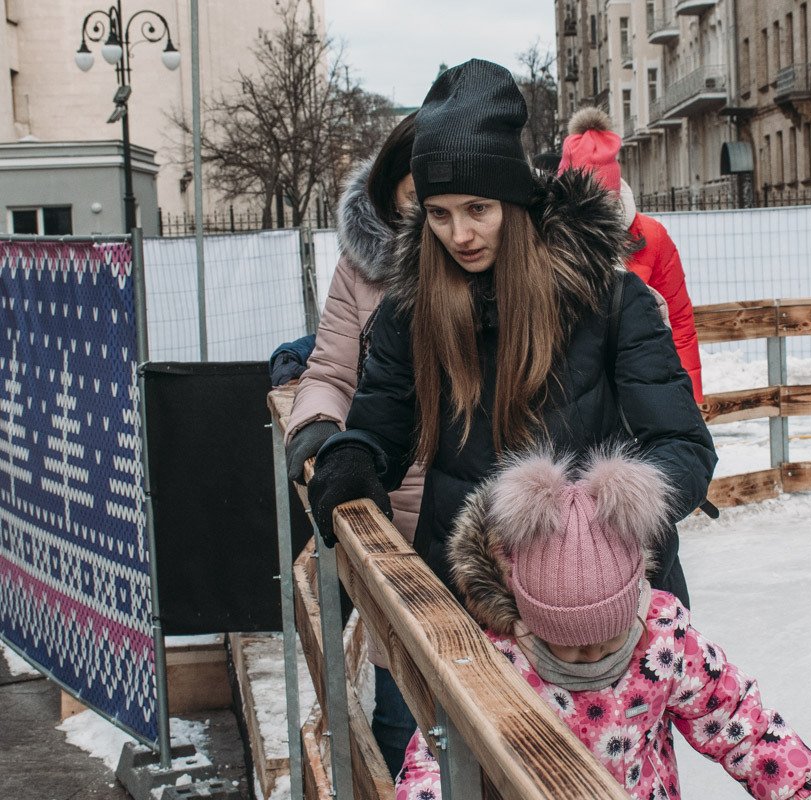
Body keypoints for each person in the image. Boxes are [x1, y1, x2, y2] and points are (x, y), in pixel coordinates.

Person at [307, 59, 716, 608]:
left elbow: (684, 446)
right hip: (472, 602)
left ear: (515, 202)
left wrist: (600, 518)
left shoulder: (611, 301)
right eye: (439, 214)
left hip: (605, 597)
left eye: (478, 209)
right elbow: (382, 426)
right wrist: (354, 457)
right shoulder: (412, 310)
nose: (460, 234)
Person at [394, 450, 811, 800]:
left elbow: (737, 720)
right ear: (532, 620)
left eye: (611, 636)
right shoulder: (501, 664)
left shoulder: (663, 642)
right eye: (571, 643)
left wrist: (799, 789)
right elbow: (437, 758)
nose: (594, 653)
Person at [283, 115, 426, 776]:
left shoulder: (487, 260)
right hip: (395, 518)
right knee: (402, 714)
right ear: (390, 185)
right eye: (415, 190)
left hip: (485, 520)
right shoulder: (363, 268)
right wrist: (322, 432)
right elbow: (332, 371)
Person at [557, 107, 705, 403]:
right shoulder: (544, 240)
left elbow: (679, 325)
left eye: (600, 204)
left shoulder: (651, 237)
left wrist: (687, 402)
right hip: (569, 398)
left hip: (639, 392)